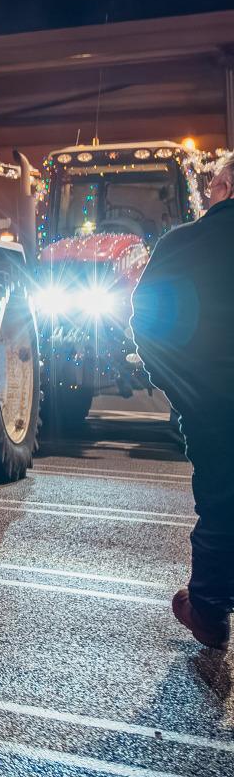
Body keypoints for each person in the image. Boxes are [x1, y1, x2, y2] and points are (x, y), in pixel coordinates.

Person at [131, 153, 234, 650]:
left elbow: (146, 322)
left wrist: (180, 387)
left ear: (224, 188)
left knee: (220, 498)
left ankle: (210, 610)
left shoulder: (181, 243)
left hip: (210, 404)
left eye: (213, 187)